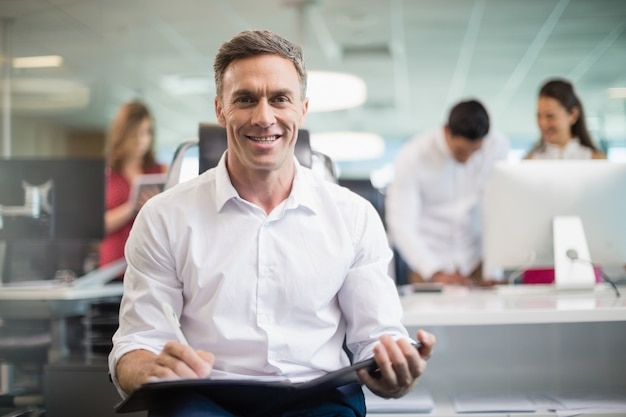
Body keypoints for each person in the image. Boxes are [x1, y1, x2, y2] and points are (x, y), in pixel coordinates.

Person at [108, 30, 435, 417]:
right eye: (245, 99)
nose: (264, 118)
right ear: (219, 110)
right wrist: (145, 367)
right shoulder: (164, 216)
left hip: (318, 396)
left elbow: (376, 336)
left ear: (302, 109)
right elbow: (138, 341)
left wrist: (392, 365)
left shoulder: (354, 215)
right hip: (205, 396)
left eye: (279, 99)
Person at [385, 100, 509, 286]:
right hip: (429, 263)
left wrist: (494, 268)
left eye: (474, 151)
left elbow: (495, 210)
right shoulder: (412, 156)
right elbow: (401, 223)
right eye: (460, 151)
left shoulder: (496, 145)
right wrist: (433, 271)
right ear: (445, 131)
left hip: (475, 260)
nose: (467, 158)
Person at [99, 100, 166, 269]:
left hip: (150, 263)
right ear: (122, 134)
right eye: (135, 133)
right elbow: (95, 225)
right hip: (114, 267)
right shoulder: (106, 173)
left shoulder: (162, 171)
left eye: (146, 132)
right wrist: (131, 208)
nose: (141, 140)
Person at [524, 78, 606, 160]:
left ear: (573, 115)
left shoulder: (596, 159)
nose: (543, 123)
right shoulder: (529, 161)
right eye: (539, 116)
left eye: (550, 116)